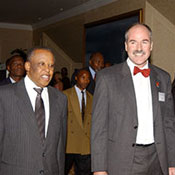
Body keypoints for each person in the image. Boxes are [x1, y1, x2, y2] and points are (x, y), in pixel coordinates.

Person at [91, 23, 175, 175]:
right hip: (121, 160)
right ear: (125, 46)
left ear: (151, 46)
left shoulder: (163, 78)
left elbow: (168, 124)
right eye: (133, 42)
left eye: (144, 42)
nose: (139, 48)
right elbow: (99, 128)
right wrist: (99, 168)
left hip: (158, 158)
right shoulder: (106, 78)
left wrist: (172, 162)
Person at [0, 46, 67, 175]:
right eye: (42, 64)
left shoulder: (60, 99)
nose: (48, 70)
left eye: (51, 65)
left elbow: (60, 146)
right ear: (28, 66)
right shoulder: (4, 96)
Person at [64, 68, 93, 175]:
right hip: (69, 143)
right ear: (76, 78)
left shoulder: (91, 98)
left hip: (84, 144)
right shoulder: (65, 95)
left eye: (88, 78)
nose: (86, 81)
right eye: (83, 77)